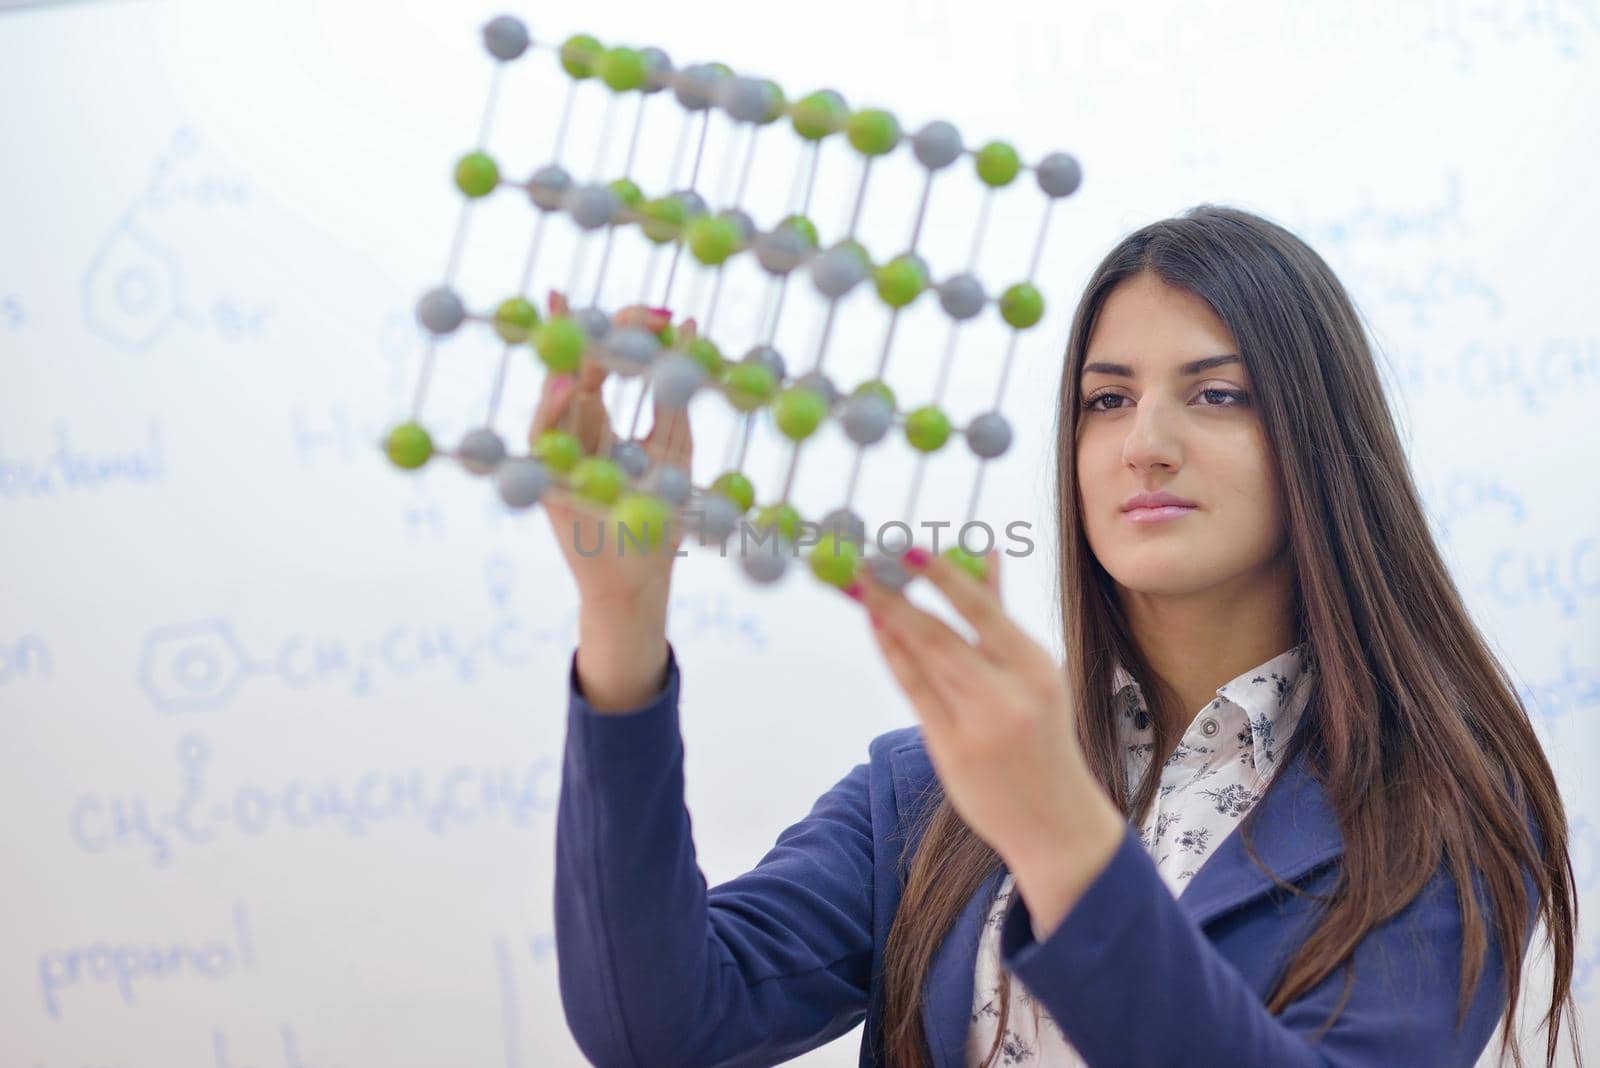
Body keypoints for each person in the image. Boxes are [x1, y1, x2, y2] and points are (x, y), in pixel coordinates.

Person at [536, 205, 1578, 1067]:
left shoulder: (1435, 814)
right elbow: (656, 1027)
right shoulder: (927, 792)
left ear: (1319, 441)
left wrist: (1057, 835)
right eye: (1104, 399)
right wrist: (620, 622)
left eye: (1215, 396)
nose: (1144, 445)